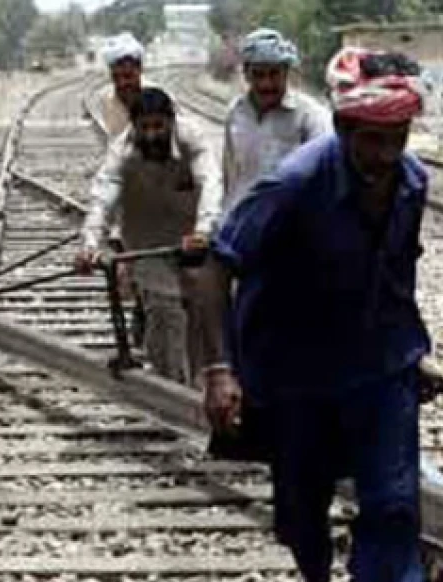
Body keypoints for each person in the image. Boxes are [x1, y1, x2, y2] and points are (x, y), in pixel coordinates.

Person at [196, 48, 443, 582]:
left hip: (376, 367)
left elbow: (397, 276)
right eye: (371, 142)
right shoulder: (295, 183)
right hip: (296, 368)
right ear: (341, 132)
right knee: (301, 513)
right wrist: (222, 370)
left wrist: (412, 351)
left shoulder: (413, 184)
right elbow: (218, 267)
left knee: (392, 506)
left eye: (397, 141)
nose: (384, 156)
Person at [76, 87, 222, 386]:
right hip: (149, 245)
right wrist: (90, 244)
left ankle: (199, 387)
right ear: (134, 126)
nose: (152, 135)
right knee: (166, 317)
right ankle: (173, 397)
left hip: (193, 242)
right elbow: (103, 196)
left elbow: (211, 182)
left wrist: (204, 230)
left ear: (171, 121)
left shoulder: (192, 138)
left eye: (159, 126)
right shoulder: (122, 150)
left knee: (201, 318)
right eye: (145, 128)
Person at [222, 28, 330, 212]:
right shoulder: (235, 112)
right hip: (244, 219)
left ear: (286, 72)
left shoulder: (311, 117)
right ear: (246, 74)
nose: (266, 84)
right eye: (258, 74)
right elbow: (231, 175)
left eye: (274, 74)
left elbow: (325, 177)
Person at [95, 33, 147, 139]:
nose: (122, 83)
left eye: (128, 76)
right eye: (116, 77)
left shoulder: (160, 99)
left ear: (140, 69)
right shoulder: (105, 101)